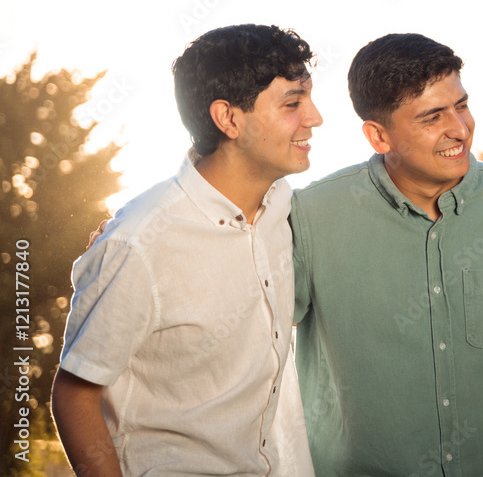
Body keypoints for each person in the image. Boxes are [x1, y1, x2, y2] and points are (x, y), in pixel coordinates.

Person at [51, 24, 322, 476]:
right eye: (293, 103)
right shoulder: (139, 240)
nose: (314, 117)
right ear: (229, 119)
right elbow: (75, 394)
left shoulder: (282, 207)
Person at [291, 33, 483, 475]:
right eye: (432, 116)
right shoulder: (312, 216)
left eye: (462, 105)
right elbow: (249, 348)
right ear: (378, 135)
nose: (459, 128)